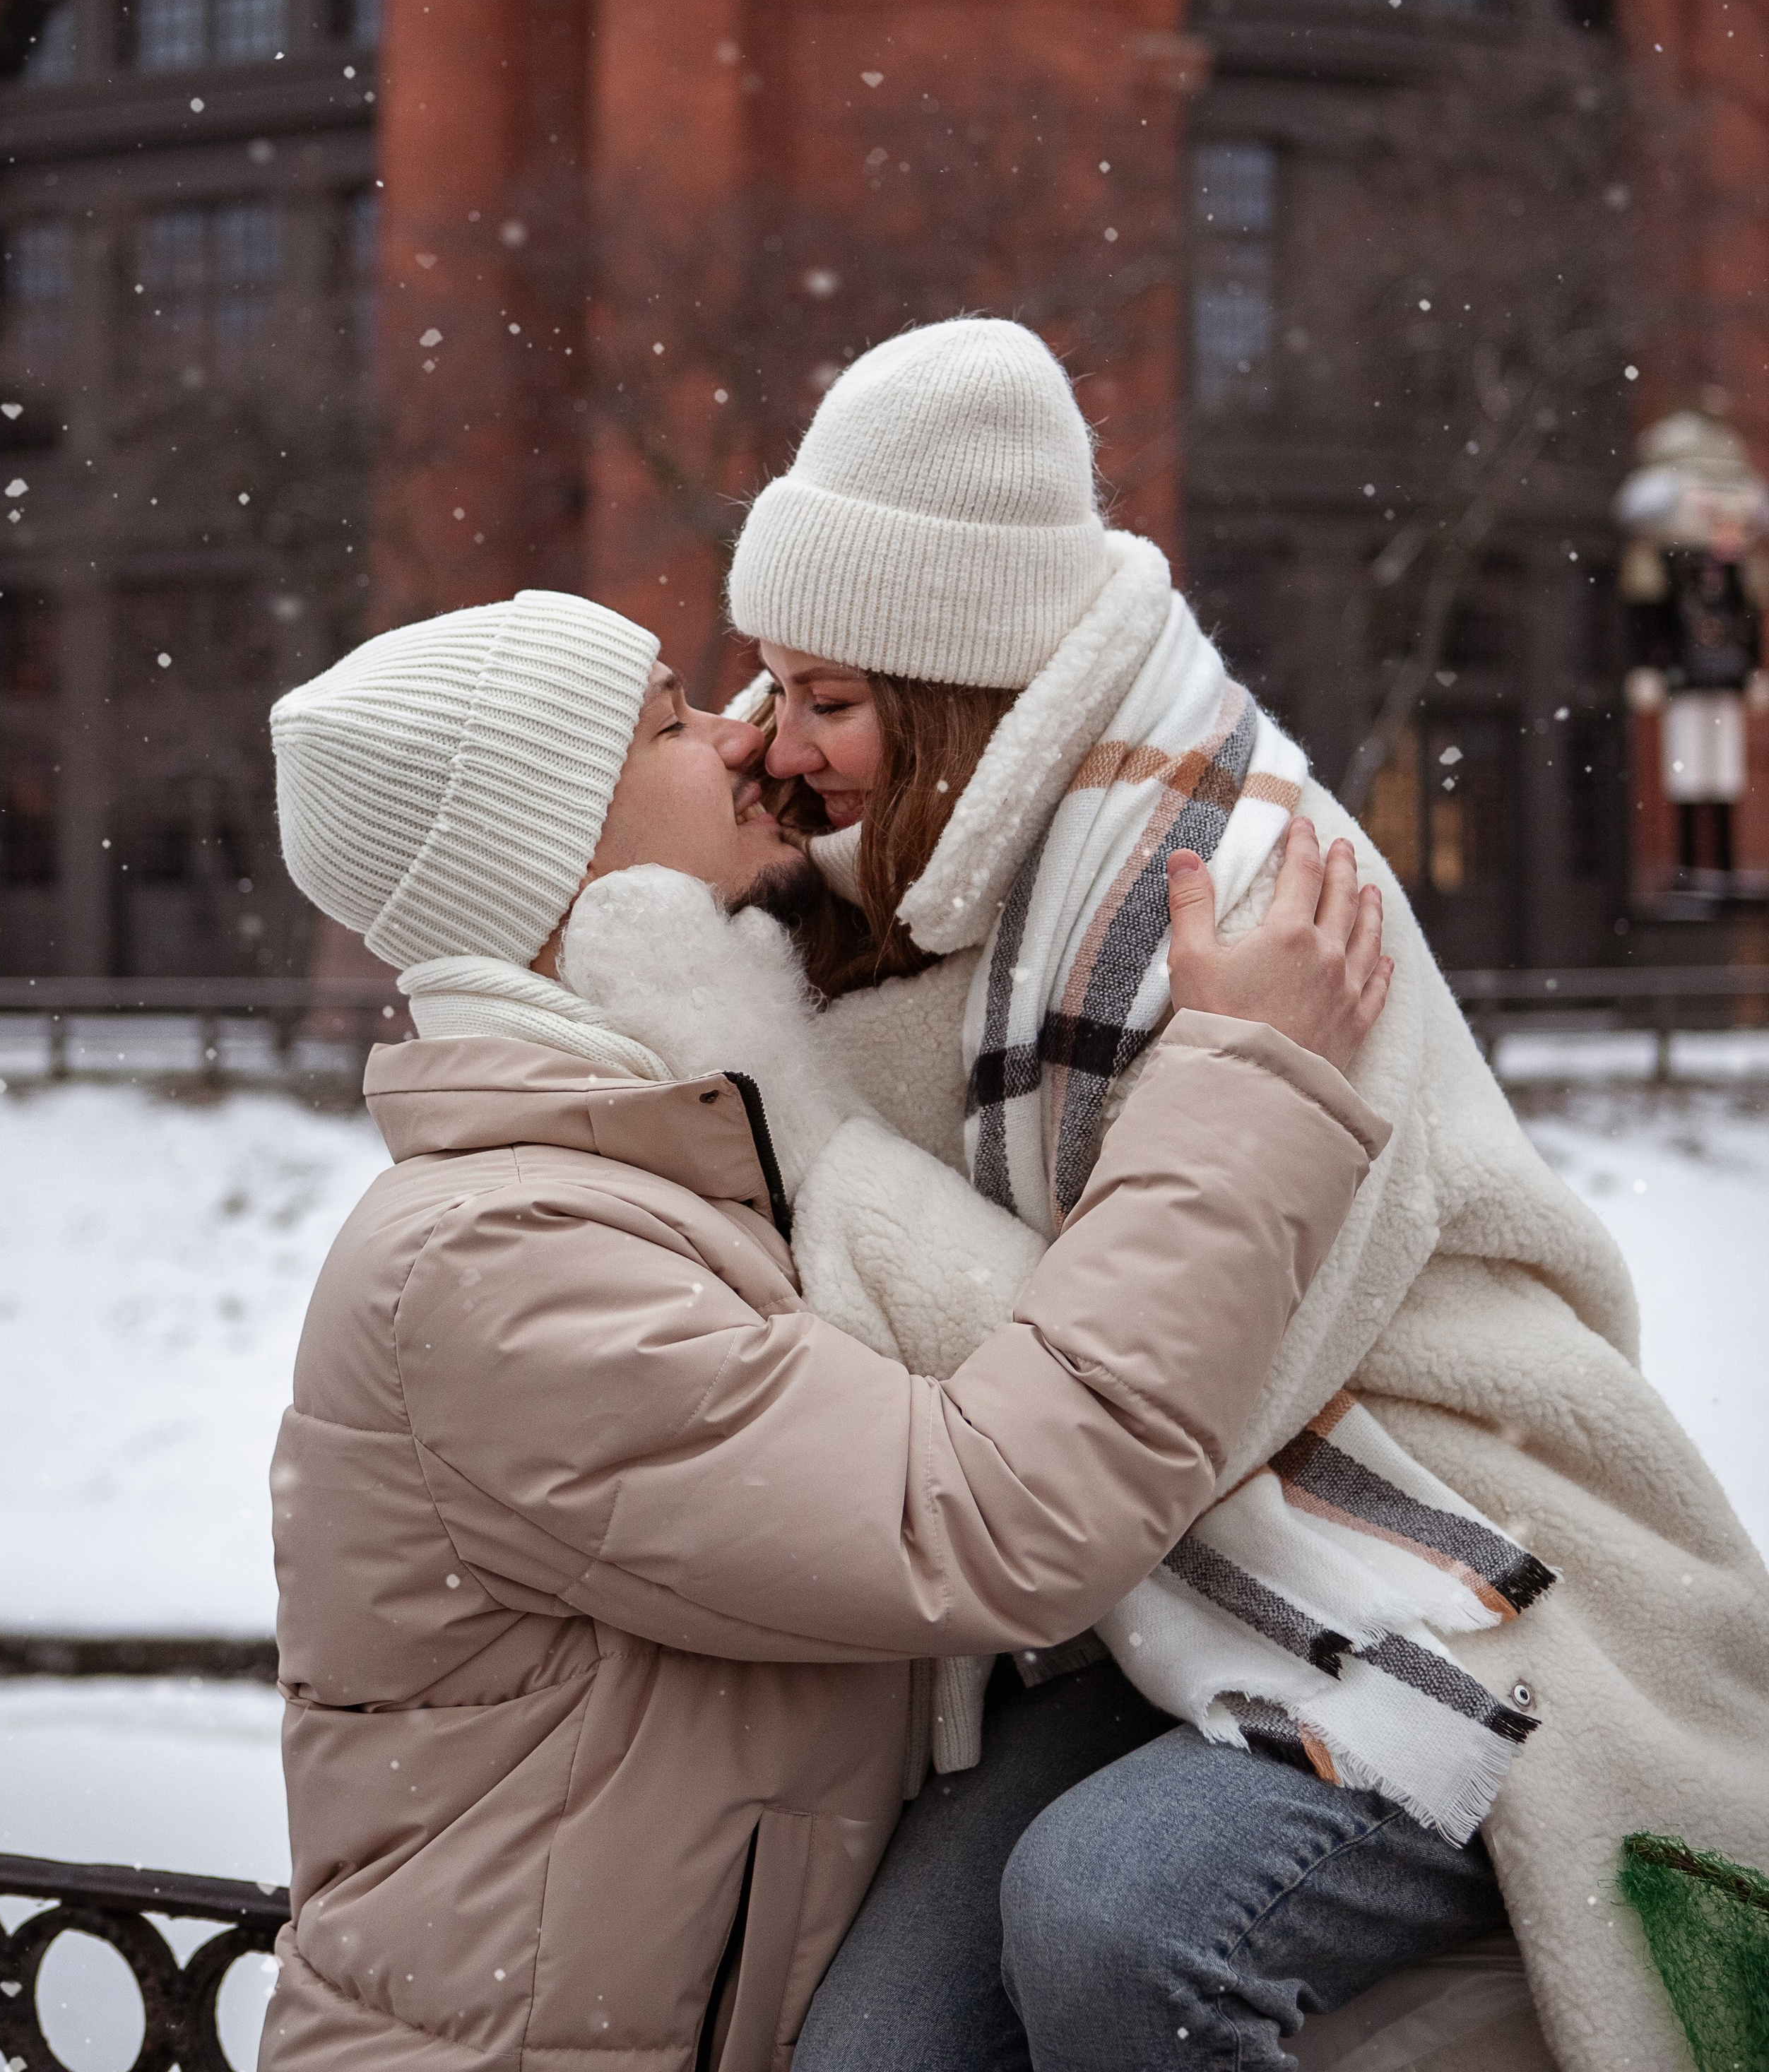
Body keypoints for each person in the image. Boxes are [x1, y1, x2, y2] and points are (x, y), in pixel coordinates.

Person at [724, 318, 1769, 2072]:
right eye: (766, 685)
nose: (777, 744)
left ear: (963, 701)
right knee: (866, 2055)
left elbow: (1155, 1407)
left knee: (1115, 1920)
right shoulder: (931, 896)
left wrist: (822, 1147)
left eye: (828, 701)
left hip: (1442, 1566)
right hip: (1160, 1601)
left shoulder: (1244, 885)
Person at [257, 586, 1392, 2072]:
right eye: (671, 720)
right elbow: (985, 1517)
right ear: (556, 843)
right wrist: (1240, 1093)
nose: (744, 734)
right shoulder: (501, 1260)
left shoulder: (655, 1155)